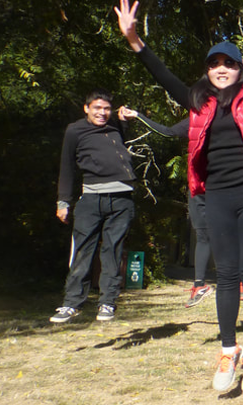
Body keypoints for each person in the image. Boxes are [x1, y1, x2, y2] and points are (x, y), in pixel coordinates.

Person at [114, 0, 243, 394]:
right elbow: (162, 75)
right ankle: (227, 349)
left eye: (229, 64)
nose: (221, 69)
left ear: (239, 70)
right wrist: (135, 41)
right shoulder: (196, 101)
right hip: (217, 197)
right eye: (215, 64)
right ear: (208, 71)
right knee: (225, 273)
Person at [51, 89, 137, 324]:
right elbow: (67, 167)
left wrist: (123, 120)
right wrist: (63, 202)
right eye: (97, 108)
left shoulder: (115, 128)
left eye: (106, 109)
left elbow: (121, 145)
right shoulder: (75, 130)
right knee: (83, 251)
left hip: (122, 199)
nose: (102, 113)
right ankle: (71, 304)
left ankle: (107, 302)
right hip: (91, 199)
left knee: (113, 251)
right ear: (86, 108)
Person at [119, 108, 217, 308]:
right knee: (203, 234)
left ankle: (241, 283)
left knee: (230, 233)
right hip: (197, 185)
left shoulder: (233, 115)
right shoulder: (196, 118)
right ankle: (199, 286)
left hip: (224, 185)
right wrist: (138, 116)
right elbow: (168, 132)